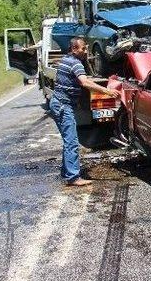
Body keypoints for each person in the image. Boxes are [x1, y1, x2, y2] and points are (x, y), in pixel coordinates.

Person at [49, 37, 120, 186]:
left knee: (68, 141)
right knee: (72, 142)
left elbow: (69, 83)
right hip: (63, 106)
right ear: (74, 49)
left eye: (86, 48)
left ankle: (67, 171)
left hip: (57, 103)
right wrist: (107, 91)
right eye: (83, 49)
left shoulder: (65, 60)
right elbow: (84, 82)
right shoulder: (76, 64)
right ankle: (73, 177)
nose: (86, 51)